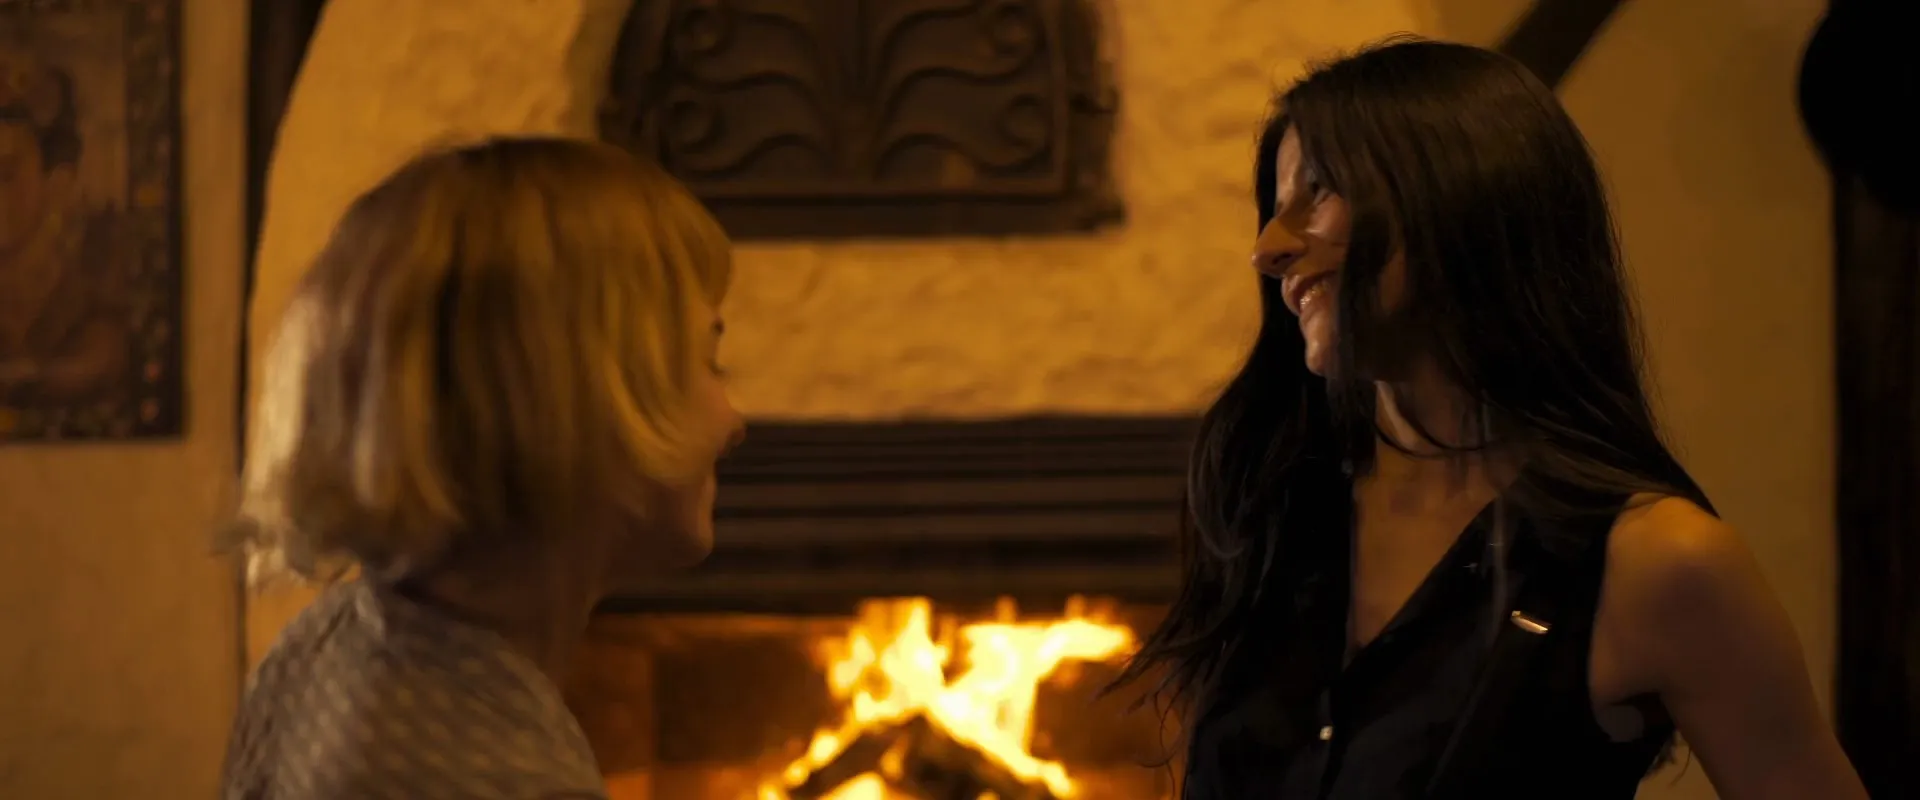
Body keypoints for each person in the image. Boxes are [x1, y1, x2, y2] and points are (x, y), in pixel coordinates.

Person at [1110, 37, 1866, 799]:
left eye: (1321, 190)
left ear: (1462, 197)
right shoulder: (1276, 509)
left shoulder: (1656, 562)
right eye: (1277, 210)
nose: (1269, 249)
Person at [219, 136, 744, 800]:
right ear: (576, 405)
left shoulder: (329, 644)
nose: (733, 420)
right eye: (707, 362)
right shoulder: (500, 780)